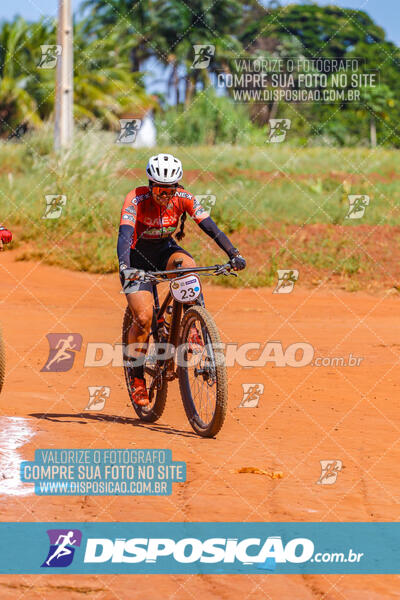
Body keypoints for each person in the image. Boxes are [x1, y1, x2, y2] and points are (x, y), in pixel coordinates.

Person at [117, 153, 246, 406]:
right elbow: (124, 236)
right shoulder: (136, 198)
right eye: (160, 191)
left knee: (189, 267)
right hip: (136, 258)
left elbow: (212, 228)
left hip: (165, 250)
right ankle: (137, 377)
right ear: (150, 185)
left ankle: (194, 325)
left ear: (177, 186)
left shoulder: (184, 198)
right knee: (143, 318)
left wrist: (234, 254)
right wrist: (125, 267)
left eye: (170, 190)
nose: (165, 196)